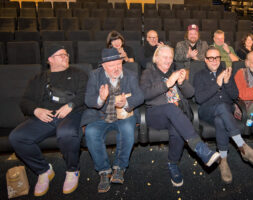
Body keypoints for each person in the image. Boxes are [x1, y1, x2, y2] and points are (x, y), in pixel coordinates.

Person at [9, 44, 88, 196]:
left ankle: (72, 170)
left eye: (66, 55)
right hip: (46, 116)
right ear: (50, 59)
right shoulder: (38, 78)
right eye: (61, 55)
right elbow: (25, 101)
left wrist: (70, 105)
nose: (66, 57)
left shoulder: (78, 74)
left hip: (71, 114)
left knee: (66, 132)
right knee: (17, 137)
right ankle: (44, 170)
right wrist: (36, 110)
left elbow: (86, 93)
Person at [140, 45, 220, 187]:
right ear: (156, 58)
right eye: (165, 57)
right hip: (156, 114)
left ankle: (172, 164)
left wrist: (182, 83)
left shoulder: (176, 71)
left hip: (178, 114)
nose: (168, 60)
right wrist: (168, 83)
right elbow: (144, 95)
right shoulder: (148, 72)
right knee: (171, 108)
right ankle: (200, 148)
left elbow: (190, 94)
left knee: (177, 128)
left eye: (170, 57)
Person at [193, 47, 253, 183]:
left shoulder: (227, 72)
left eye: (217, 58)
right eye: (211, 58)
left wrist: (227, 82)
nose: (214, 61)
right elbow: (199, 98)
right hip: (206, 111)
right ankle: (243, 147)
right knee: (221, 108)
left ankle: (223, 161)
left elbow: (234, 96)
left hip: (225, 112)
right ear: (205, 60)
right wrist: (217, 83)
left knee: (220, 120)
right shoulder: (199, 75)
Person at [81, 48, 144, 193]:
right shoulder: (94, 76)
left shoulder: (131, 75)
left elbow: (140, 96)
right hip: (101, 116)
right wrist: (101, 98)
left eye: (118, 64)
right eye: (111, 65)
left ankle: (119, 167)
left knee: (128, 130)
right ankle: (103, 171)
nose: (116, 68)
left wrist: (126, 103)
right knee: (91, 132)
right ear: (103, 66)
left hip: (123, 115)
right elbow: (88, 99)